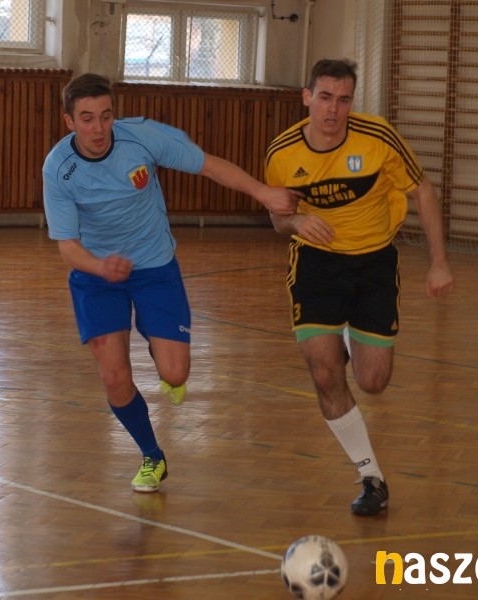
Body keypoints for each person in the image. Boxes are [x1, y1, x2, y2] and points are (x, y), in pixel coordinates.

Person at [42, 73, 300, 493]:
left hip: (154, 266)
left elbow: (209, 164)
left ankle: (161, 351)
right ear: (69, 122)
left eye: (106, 116)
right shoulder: (58, 168)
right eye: (86, 119)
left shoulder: (142, 138)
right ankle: (152, 456)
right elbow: (68, 247)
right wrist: (101, 267)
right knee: (114, 377)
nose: (99, 128)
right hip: (96, 273)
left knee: (176, 374)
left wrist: (263, 193)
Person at [265, 59, 454, 516]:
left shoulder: (378, 137)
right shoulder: (282, 153)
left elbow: (423, 190)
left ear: (352, 101)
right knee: (325, 373)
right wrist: (296, 221)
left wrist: (439, 262)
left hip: (373, 263)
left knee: (373, 382)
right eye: (325, 97)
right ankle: (371, 476)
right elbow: (277, 218)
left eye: (344, 99)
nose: (333, 109)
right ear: (307, 97)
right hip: (316, 266)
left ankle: (348, 338)